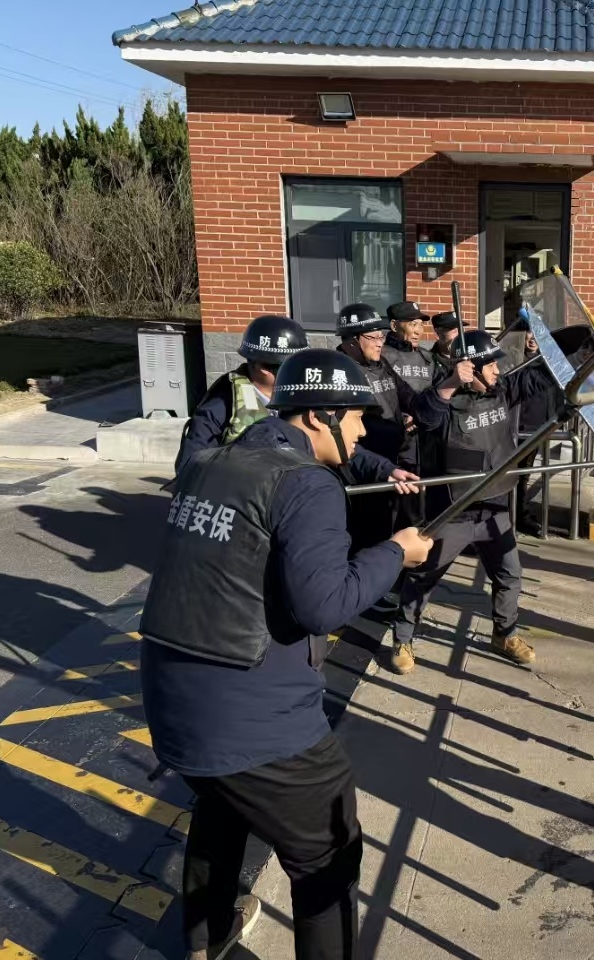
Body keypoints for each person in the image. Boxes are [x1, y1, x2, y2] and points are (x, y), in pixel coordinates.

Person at [140, 348, 432, 960]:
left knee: (223, 805)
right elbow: (325, 606)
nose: (363, 430)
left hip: (172, 703)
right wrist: (393, 554)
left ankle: (206, 937)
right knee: (328, 849)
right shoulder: (308, 484)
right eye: (357, 417)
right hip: (256, 720)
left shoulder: (210, 461)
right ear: (320, 416)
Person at [389, 330, 558, 675]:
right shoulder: (444, 401)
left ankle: (504, 634)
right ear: (471, 369)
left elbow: (540, 375)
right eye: (490, 365)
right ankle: (402, 638)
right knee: (424, 576)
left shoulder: (503, 390)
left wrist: (589, 352)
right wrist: (451, 382)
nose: (497, 370)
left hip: (495, 507)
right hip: (453, 511)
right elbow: (425, 415)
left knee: (509, 574)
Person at [175, 314, 308, 474]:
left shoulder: (305, 396)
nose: (300, 373)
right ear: (264, 369)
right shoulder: (220, 407)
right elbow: (189, 469)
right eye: (292, 367)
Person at [336, 303, 420, 554]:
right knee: (366, 537)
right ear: (352, 340)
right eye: (373, 337)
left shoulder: (380, 364)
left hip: (391, 463)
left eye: (381, 336)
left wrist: (444, 392)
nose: (380, 343)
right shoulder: (340, 372)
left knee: (390, 528)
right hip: (361, 470)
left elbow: (409, 398)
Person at [383, 301, 437, 529]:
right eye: (412, 324)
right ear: (394, 326)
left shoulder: (427, 358)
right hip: (394, 440)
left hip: (424, 441)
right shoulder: (381, 356)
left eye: (420, 325)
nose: (418, 331)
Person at [513, 328, 562, 537]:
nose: (532, 338)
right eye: (529, 332)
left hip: (538, 426)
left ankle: (519, 513)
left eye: (537, 333)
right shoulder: (514, 359)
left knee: (523, 474)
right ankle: (516, 514)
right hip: (518, 426)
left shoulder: (549, 362)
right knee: (513, 473)